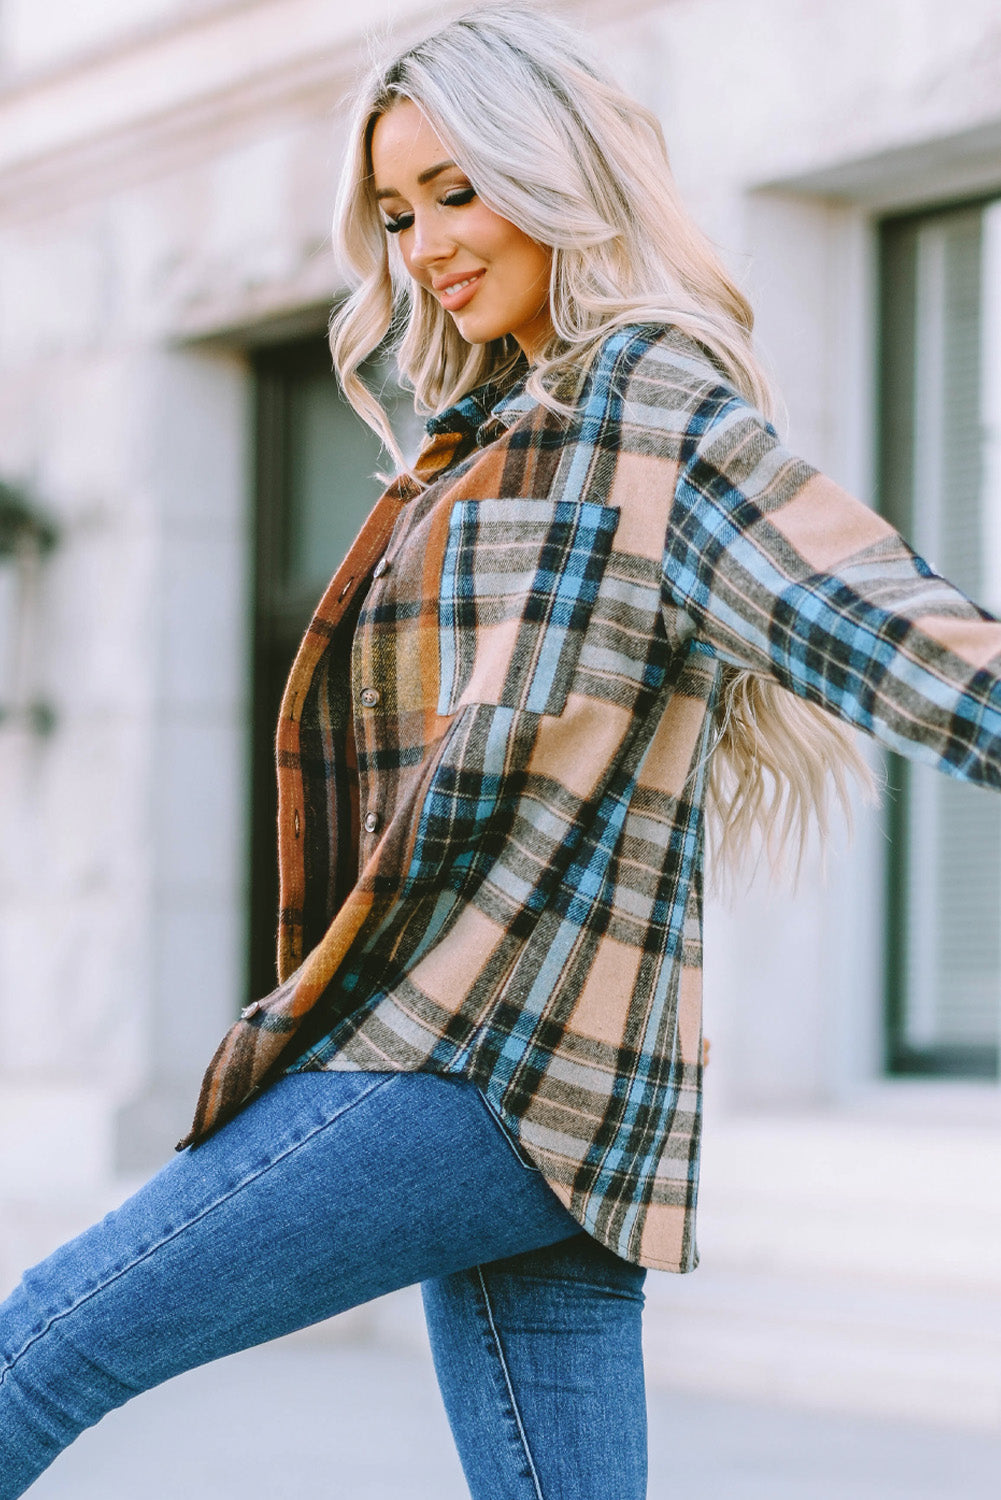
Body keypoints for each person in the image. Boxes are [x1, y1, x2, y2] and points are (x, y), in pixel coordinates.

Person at [2, 6, 1000, 1497]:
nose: (422, 246)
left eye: (457, 193)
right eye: (397, 212)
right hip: (540, 1083)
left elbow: (912, 645)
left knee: (38, 1349)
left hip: (472, 1063)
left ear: (557, 175)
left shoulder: (651, 411)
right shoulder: (475, 435)